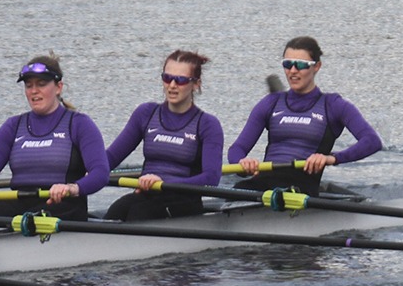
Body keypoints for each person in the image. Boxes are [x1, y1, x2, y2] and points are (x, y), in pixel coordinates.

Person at [227, 35, 382, 195]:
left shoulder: (334, 105)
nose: (293, 71)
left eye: (301, 65)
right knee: (240, 188)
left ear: (317, 66)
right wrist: (242, 163)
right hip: (263, 185)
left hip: (302, 189)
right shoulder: (271, 103)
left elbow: (372, 141)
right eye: (287, 64)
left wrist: (332, 158)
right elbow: (237, 148)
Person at [0, 54, 109, 221]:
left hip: (64, 204)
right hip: (21, 201)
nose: (34, 91)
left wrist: (73, 188)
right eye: (29, 85)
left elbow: (100, 173)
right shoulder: (13, 126)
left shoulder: (79, 124)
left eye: (41, 84)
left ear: (58, 87)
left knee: (32, 219)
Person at [103, 49, 224, 221]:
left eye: (180, 80)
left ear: (196, 84)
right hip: (147, 194)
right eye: (167, 78)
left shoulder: (207, 124)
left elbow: (211, 177)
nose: (172, 85)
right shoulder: (146, 113)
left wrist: (163, 183)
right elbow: (111, 157)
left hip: (183, 200)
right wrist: (84, 170)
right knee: (117, 210)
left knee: (140, 213)